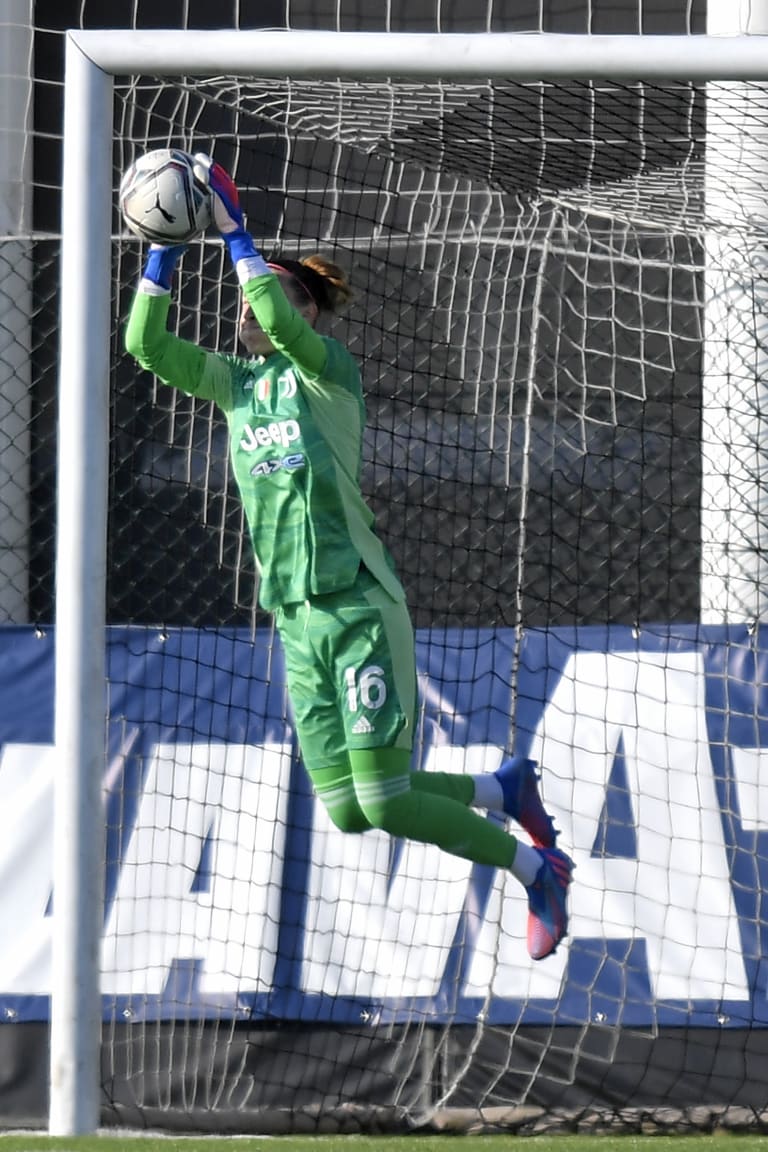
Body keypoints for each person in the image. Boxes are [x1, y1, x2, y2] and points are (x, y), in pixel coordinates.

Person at [124, 156, 573, 961]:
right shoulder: (238, 387)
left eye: (270, 301)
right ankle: (502, 790)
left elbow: (280, 316)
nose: (248, 313)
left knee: (386, 800)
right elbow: (145, 345)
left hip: (359, 605)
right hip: (296, 619)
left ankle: (535, 867)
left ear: (307, 315)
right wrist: (163, 249)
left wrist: (234, 230)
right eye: (245, 307)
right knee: (348, 809)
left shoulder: (328, 375)